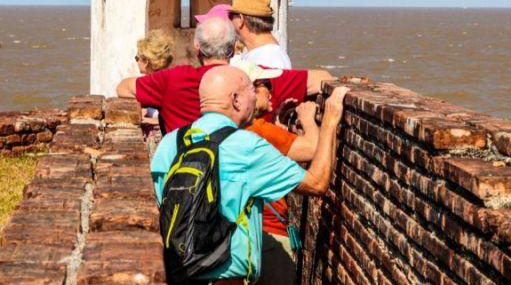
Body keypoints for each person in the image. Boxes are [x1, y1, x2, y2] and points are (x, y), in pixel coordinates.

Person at [151, 65, 348, 283]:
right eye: (251, 92)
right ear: (235, 99)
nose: (255, 100)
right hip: (225, 279)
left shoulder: (171, 142)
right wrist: (330, 120)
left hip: (177, 273)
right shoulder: (246, 146)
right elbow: (317, 183)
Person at [116, 18, 333, 134]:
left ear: (196, 48)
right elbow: (322, 79)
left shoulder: (173, 79)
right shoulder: (256, 79)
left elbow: (124, 88)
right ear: (232, 49)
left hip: (187, 191)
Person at [231, 60, 320, 284]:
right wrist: (313, 120)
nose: (271, 90)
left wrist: (277, 119)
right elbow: (311, 149)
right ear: (245, 93)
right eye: (264, 84)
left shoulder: (236, 128)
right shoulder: (259, 130)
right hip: (269, 234)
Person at [229, 0, 292, 69]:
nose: (230, 21)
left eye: (231, 16)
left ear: (240, 19)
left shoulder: (270, 59)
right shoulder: (266, 54)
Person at [134, 29, 174, 134]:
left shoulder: (161, 83)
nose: (136, 61)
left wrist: (150, 121)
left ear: (146, 61)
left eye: (137, 58)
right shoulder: (164, 79)